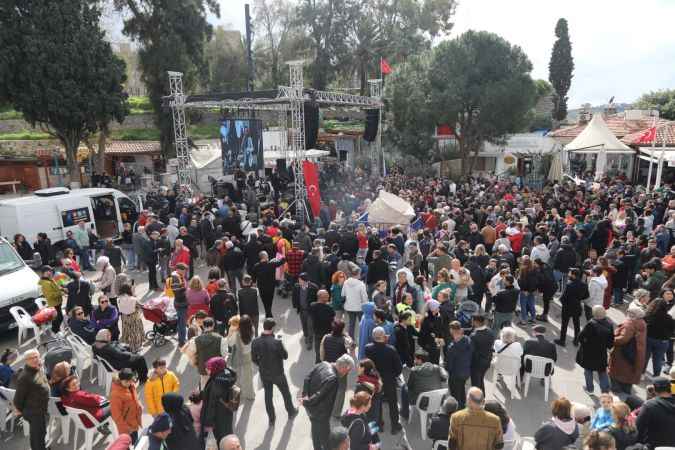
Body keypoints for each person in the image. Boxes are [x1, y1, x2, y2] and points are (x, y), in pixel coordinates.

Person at [301, 354, 355, 450]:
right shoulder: (333, 379)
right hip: (321, 413)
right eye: (348, 370)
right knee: (326, 440)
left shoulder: (323, 363)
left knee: (315, 429)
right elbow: (320, 395)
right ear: (344, 367)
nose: (347, 373)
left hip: (311, 409)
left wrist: (305, 396)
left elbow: (307, 378)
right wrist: (306, 401)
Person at [251, 318, 298, 427]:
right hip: (278, 373)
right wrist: (282, 344)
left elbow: (253, 359)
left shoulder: (256, 341)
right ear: (272, 328)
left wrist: (261, 365)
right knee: (285, 393)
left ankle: (271, 419)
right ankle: (291, 412)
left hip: (264, 373)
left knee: (268, 395)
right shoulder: (277, 342)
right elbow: (285, 356)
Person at [365, 327, 403, 434]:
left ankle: (379, 425)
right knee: (392, 403)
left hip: (375, 380)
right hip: (389, 380)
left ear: (373, 337)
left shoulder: (368, 348)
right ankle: (394, 425)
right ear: (383, 336)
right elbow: (399, 368)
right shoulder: (391, 350)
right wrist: (393, 375)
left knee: (377, 402)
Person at [13, 349, 50, 450]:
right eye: (31, 358)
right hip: (34, 412)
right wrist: (26, 411)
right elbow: (17, 399)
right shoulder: (24, 377)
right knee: (37, 436)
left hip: (40, 409)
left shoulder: (37, 368)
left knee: (41, 432)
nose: (34, 359)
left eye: (36, 357)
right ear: (26, 360)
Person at [608, 303, 647, 394]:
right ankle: (627, 391)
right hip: (636, 352)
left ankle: (616, 390)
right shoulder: (642, 323)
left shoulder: (629, 323)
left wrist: (611, 339)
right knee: (631, 373)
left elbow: (623, 339)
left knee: (616, 371)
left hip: (622, 353)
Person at [576, 305, 614, 394]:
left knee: (588, 370)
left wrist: (585, 344)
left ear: (594, 313)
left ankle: (590, 389)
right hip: (601, 353)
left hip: (589, 352)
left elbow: (581, 337)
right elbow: (610, 342)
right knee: (602, 372)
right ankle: (605, 392)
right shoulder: (609, 324)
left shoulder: (591, 324)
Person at [200, 357, 236, 443]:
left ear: (215, 369)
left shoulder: (216, 384)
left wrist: (208, 422)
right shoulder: (224, 376)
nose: (206, 370)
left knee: (222, 439)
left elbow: (212, 405)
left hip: (218, 418)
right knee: (227, 435)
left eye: (209, 368)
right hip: (226, 414)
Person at [635, 376, 675, 448]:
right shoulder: (651, 405)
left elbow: (638, 428)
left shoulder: (650, 405)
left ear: (654, 389)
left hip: (652, 445)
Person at [555, 268, 589, 346]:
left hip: (567, 307)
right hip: (577, 306)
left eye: (570, 273)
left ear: (573, 275)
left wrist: (562, 303)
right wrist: (579, 299)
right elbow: (586, 295)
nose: (569, 274)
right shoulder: (584, 284)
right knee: (576, 324)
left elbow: (564, 297)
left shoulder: (569, 284)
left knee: (564, 324)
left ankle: (562, 340)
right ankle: (576, 340)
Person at [644, 297, 675, 377]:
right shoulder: (669, 318)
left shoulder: (648, 315)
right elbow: (672, 330)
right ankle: (656, 376)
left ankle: (642, 374)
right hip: (663, 341)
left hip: (649, 338)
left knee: (645, 357)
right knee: (658, 360)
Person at [110, 368, 143, 444]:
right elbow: (116, 415)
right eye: (126, 381)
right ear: (120, 380)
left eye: (130, 380)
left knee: (135, 443)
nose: (129, 383)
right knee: (126, 445)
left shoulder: (131, 385)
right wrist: (126, 428)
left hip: (134, 422)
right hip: (126, 427)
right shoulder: (115, 395)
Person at [227, 315, 255, 401]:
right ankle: (250, 395)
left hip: (239, 356)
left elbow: (230, 343)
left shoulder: (237, 333)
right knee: (248, 376)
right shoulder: (252, 330)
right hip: (249, 355)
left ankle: (238, 395)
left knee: (237, 377)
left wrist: (231, 332)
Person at [250, 251, 286, 318]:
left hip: (261, 288)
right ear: (266, 257)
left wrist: (254, 284)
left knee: (265, 302)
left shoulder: (256, 266)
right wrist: (283, 255)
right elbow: (282, 262)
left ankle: (268, 314)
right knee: (269, 302)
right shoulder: (271, 264)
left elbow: (253, 278)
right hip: (270, 287)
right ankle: (269, 314)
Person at [445, 321, 473, 408]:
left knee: (455, 393)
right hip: (465, 371)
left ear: (452, 330)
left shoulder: (452, 347)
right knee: (461, 389)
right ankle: (463, 405)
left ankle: (457, 410)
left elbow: (449, 364)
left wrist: (446, 368)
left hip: (455, 374)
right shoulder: (468, 340)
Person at [194, 318, 228, 385]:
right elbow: (224, 354)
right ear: (213, 325)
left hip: (203, 369)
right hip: (217, 369)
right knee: (217, 388)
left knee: (204, 388)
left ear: (203, 326)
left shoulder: (196, 339)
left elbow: (193, 355)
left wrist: (197, 364)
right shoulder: (221, 338)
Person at [293, 273, 319, 351]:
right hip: (302, 310)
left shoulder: (314, 287)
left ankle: (310, 342)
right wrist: (295, 306)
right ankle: (306, 336)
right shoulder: (297, 286)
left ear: (305, 281)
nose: (299, 281)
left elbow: (317, 298)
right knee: (304, 325)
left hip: (310, 311)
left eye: (300, 280)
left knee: (310, 326)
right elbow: (294, 297)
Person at [309, 289, 337, 363]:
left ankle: (318, 365)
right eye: (326, 295)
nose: (328, 296)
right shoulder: (329, 308)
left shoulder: (312, 306)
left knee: (318, 352)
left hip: (317, 333)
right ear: (322, 297)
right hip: (327, 334)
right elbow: (333, 321)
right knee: (327, 353)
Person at [470, 313, 495, 394]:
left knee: (476, 384)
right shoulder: (490, 332)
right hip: (487, 361)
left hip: (477, 363)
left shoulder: (474, 336)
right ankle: (482, 397)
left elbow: (471, 351)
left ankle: (478, 401)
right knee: (480, 380)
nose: (472, 322)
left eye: (473, 321)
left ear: (476, 322)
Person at [343, 268, 369, 339]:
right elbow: (364, 297)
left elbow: (343, 294)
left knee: (351, 324)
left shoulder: (345, 282)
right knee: (361, 324)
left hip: (349, 307)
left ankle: (351, 340)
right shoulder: (361, 284)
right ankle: (361, 338)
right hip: (359, 307)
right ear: (358, 274)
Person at [117, 284, 144, 352]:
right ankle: (135, 348)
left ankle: (128, 345)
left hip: (124, 317)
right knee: (135, 332)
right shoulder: (134, 299)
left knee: (127, 332)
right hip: (133, 317)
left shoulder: (118, 299)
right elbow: (141, 306)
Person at [38, 265, 65, 333]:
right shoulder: (45, 283)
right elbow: (50, 295)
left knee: (58, 317)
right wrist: (60, 293)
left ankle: (56, 330)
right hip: (54, 304)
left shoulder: (49, 279)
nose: (52, 272)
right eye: (50, 271)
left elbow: (55, 287)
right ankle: (55, 331)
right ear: (46, 272)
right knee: (59, 318)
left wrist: (62, 289)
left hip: (57, 303)